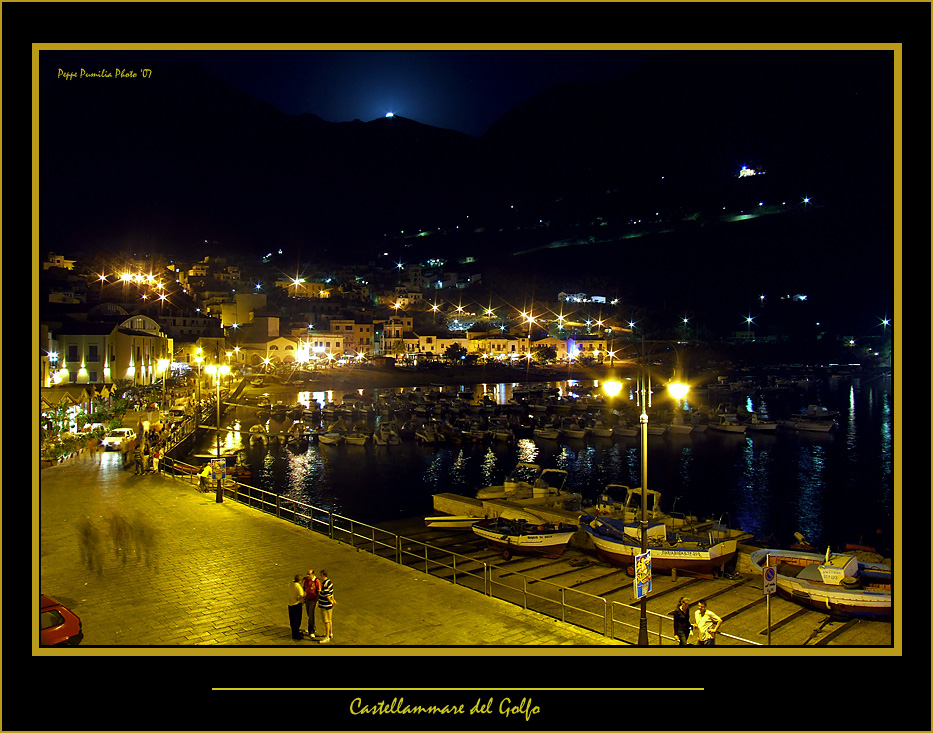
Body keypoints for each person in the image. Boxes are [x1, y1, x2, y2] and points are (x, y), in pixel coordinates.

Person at [317, 569, 336, 643]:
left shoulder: (324, 584)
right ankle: (330, 633)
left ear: (322, 575)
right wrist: (333, 600)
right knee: (330, 619)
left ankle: (327, 636)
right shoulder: (330, 583)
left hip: (325, 605)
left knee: (326, 621)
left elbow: (327, 595)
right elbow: (331, 593)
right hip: (329, 605)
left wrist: (330, 601)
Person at [302, 569, 322, 638]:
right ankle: (312, 627)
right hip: (307, 599)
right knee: (308, 614)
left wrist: (315, 601)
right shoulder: (306, 580)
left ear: (312, 574)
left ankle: (311, 631)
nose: (307, 575)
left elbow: (319, 592)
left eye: (309, 574)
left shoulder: (316, 581)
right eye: (307, 574)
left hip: (312, 600)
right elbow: (304, 588)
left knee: (311, 615)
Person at [287, 574, 306, 640]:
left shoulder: (291, 583)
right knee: (297, 620)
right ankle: (296, 634)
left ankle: (294, 632)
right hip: (296, 605)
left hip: (290, 604)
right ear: (300, 581)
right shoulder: (298, 586)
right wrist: (299, 598)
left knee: (292, 620)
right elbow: (302, 594)